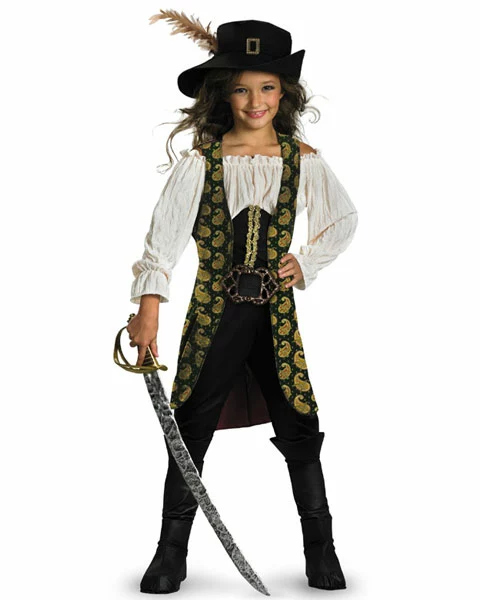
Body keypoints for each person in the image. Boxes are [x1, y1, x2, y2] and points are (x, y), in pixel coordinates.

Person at [126, 12, 358, 594]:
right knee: (190, 427)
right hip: (213, 314)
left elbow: (342, 219)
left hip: (276, 315)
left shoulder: (300, 158)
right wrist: (149, 308)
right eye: (242, 89)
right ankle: (170, 554)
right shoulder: (201, 163)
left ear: (285, 93)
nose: (256, 102)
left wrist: (305, 262)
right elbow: (163, 242)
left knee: (300, 423)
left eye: (268, 87)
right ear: (222, 95)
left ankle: (322, 550)